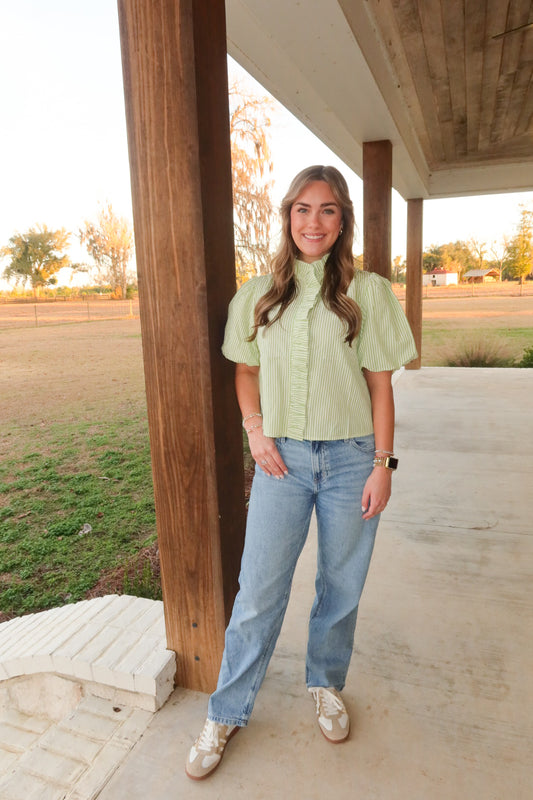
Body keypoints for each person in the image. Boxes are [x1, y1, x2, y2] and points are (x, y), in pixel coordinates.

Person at [186, 165, 417, 780]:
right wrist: (255, 431)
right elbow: (244, 371)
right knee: (259, 591)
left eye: (328, 210)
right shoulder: (259, 294)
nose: (314, 222)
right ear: (288, 217)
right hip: (281, 461)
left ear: (343, 222)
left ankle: (326, 684)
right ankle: (226, 711)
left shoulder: (368, 293)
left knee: (340, 588)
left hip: (350, 460)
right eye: (303, 210)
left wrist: (383, 465)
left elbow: (380, 387)